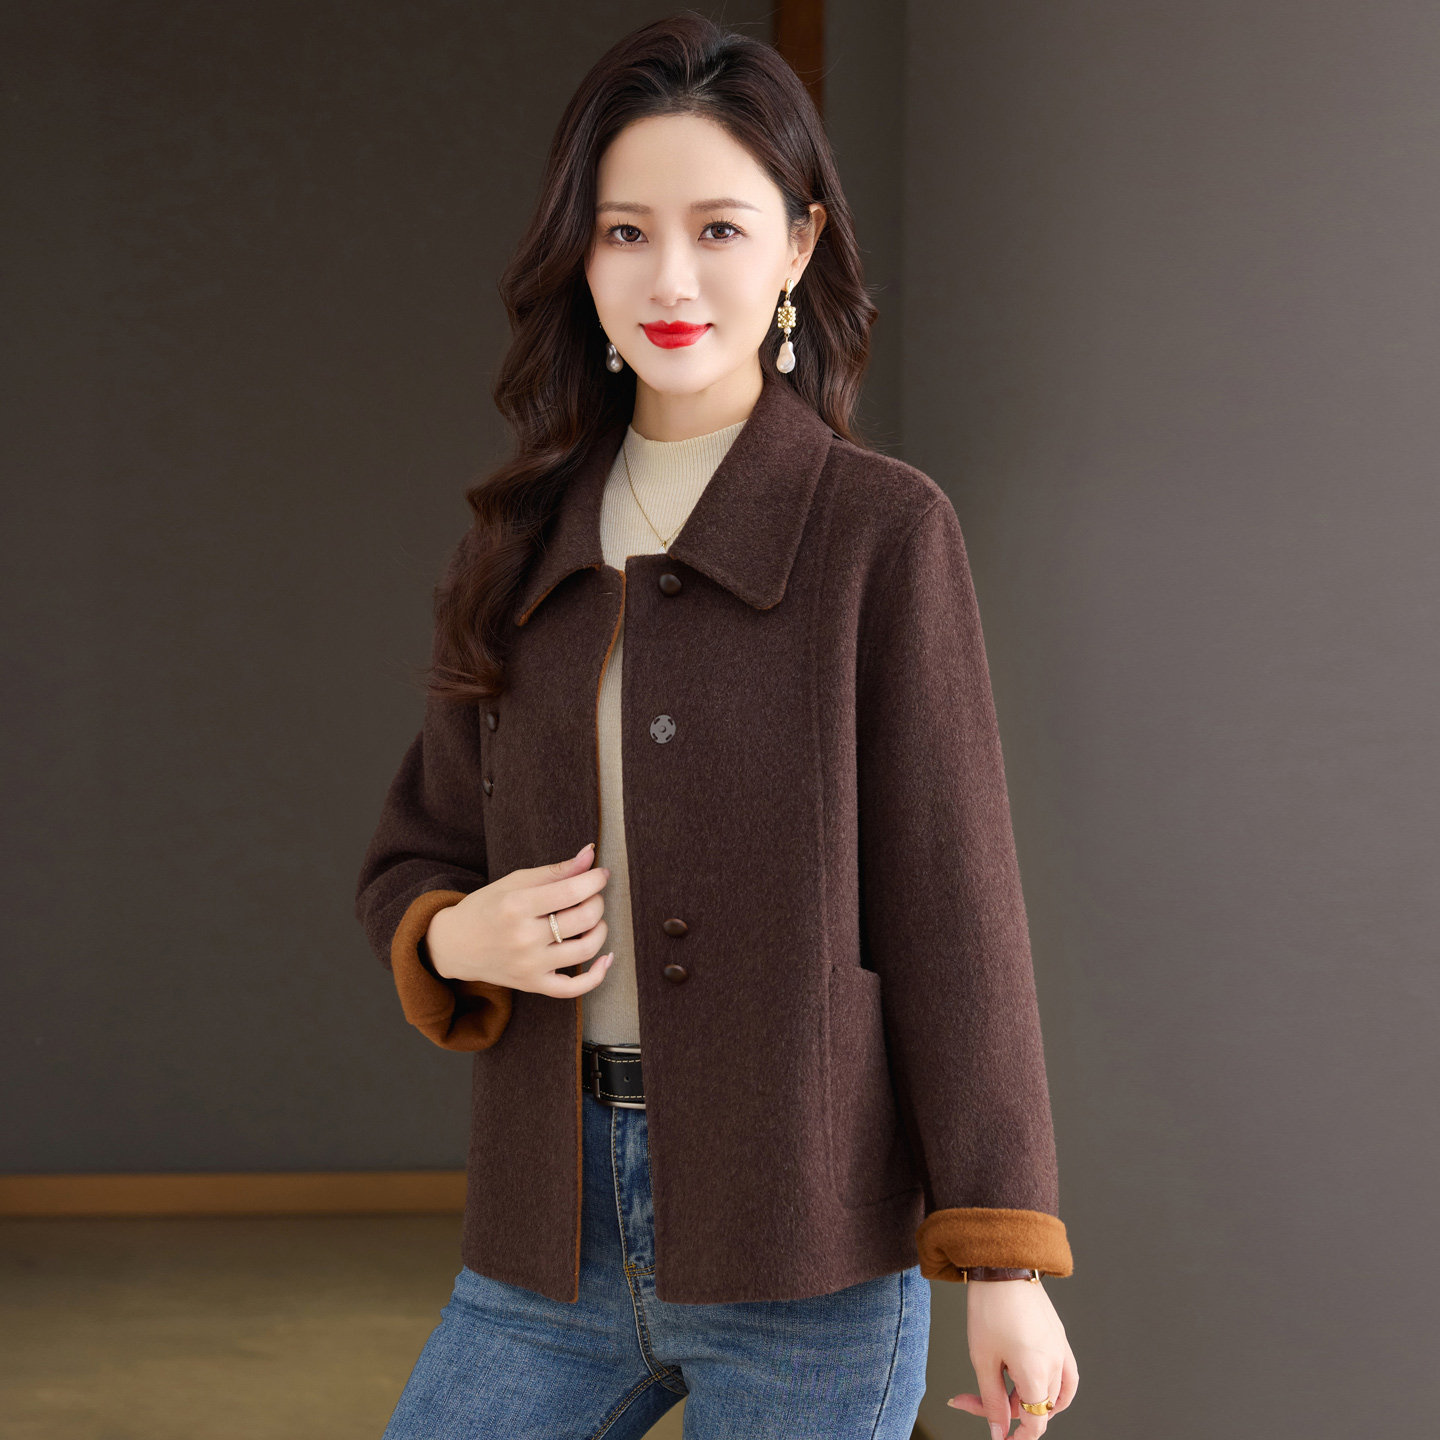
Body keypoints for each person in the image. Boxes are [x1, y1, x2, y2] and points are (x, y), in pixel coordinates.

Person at [356, 13, 1079, 1439]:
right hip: (546, 1235)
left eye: (720, 229)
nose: (670, 279)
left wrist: (1004, 1265)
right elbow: (413, 851)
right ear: (580, 258)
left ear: (799, 246)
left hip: (813, 1252)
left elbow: (955, 909)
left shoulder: (881, 533)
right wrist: (454, 937)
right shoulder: (518, 542)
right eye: (625, 232)